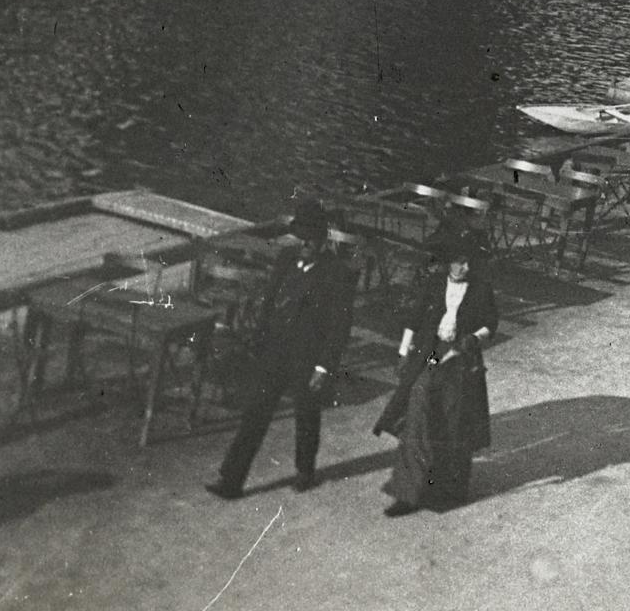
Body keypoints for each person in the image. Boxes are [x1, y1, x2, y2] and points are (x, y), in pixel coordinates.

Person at [206, 197, 355, 500]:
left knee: (307, 413)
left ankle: (305, 470)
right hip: (275, 350)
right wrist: (259, 340)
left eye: (311, 239)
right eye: (301, 238)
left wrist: (323, 367)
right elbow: (270, 302)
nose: (305, 244)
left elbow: (340, 327)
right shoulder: (286, 260)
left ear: (322, 240)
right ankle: (231, 480)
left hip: (308, 355)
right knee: (255, 414)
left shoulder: (336, 274)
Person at [373, 224, 498, 516]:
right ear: (448, 261)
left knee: (453, 422)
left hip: (459, 361)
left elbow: (491, 322)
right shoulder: (433, 283)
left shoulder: (480, 288)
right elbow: (413, 317)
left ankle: (449, 490)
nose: (463, 266)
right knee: (418, 411)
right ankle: (407, 492)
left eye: (468, 261)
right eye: (458, 260)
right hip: (430, 357)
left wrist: (473, 338)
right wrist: (404, 351)